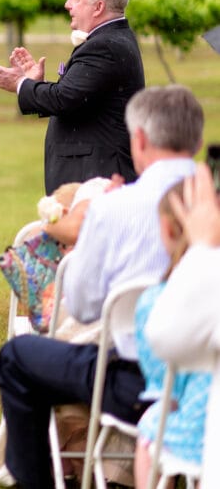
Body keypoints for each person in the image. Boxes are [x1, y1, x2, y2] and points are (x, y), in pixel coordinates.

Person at [0, 84, 203, 489]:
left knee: (17, 357)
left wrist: (97, 229)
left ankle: (42, 478)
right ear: (195, 141)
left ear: (138, 140)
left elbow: (85, 305)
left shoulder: (114, 206)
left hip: (136, 386)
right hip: (207, 379)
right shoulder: (207, 202)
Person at [0, 0, 145, 194]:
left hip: (97, 176)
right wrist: (34, 83)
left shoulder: (105, 46)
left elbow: (64, 98)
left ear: (98, 7)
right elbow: (79, 95)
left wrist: (21, 84)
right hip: (95, 171)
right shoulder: (112, 38)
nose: (67, 4)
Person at [133, 178, 212, 486]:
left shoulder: (159, 301)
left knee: (152, 423)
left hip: (198, 428)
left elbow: (164, 382)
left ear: (166, 230)